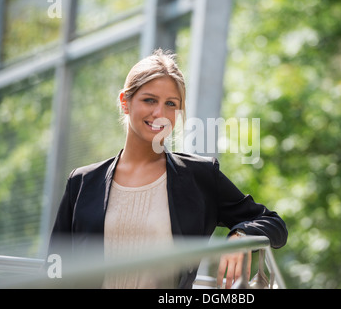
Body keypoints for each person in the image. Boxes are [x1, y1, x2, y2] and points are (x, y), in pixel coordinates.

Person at [47, 49, 288, 289]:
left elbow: (273, 224)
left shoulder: (199, 176)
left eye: (171, 104)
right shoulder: (82, 182)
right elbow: (54, 268)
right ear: (125, 102)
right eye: (149, 100)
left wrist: (241, 237)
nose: (159, 114)